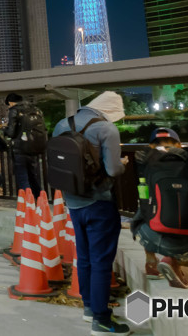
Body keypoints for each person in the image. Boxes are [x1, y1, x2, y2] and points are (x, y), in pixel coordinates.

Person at [52, 91, 129, 334]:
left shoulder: (62, 124)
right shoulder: (107, 129)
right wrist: (123, 164)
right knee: (101, 261)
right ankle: (102, 319)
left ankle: (88, 308)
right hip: (99, 202)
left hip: (73, 201)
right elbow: (113, 170)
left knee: (84, 256)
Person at [130, 127, 188, 289]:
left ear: (151, 146)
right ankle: (174, 262)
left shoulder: (145, 161)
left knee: (145, 213)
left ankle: (152, 262)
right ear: (179, 144)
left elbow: (144, 200)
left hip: (152, 235)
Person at [3, 92, 47, 199]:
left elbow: (11, 132)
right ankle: (40, 199)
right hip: (35, 149)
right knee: (33, 176)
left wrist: (5, 131)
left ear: (11, 102)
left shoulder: (15, 110)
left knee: (22, 176)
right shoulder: (36, 110)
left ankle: (27, 202)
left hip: (21, 149)